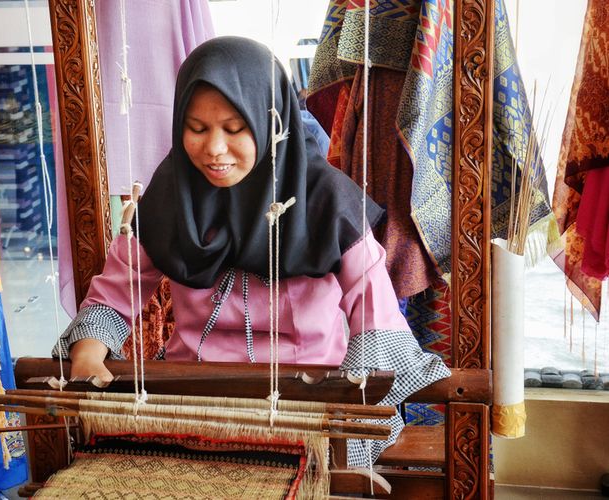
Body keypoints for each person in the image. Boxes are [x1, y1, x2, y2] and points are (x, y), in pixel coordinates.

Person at [53, 36, 450, 464]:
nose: (214, 149)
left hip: (308, 404)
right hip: (193, 402)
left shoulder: (328, 204)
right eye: (197, 128)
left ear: (271, 122)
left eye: (235, 128)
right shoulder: (171, 196)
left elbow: (378, 326)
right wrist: (90, 350)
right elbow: (114, 294)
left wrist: (345, 412)